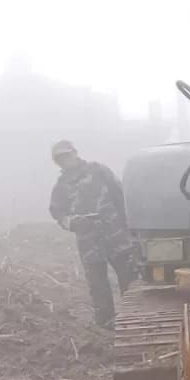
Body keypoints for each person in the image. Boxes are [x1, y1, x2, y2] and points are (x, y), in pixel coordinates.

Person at [48, 140, 136, 328]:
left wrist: (130, 226)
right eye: (60, 158)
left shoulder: (98, 171)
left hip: (116, 235)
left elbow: (120, 195)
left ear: (75, 153)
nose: (65, 160)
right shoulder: (61, 187)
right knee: (97, 284)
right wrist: (71, 222)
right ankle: (105, 324)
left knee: (129, 277)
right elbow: (58, 213)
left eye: (67, 155)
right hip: (88, 241)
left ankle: (133, 316)